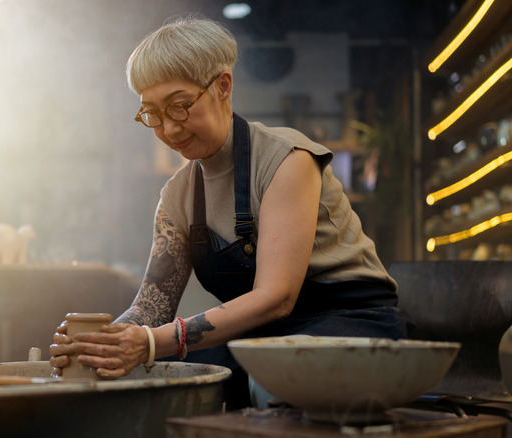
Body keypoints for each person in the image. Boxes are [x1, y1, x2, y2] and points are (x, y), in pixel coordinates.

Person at [49, 16, 413, 408]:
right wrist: (100, 346)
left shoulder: (286, 159)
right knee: (168, 383)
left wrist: (152, 343)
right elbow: (151, 307)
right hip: (261, 336)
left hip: (352, 323)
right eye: (152, 113)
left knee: (274, 378)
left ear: (223, 86)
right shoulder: (176, 197)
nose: (169, 129)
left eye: (179, 106)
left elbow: (276, 298)